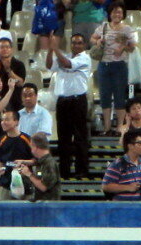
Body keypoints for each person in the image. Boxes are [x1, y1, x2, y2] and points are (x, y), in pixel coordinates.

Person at [47, 33, 91, 178]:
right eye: (74, 43)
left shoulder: (85, 58)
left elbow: (67, 64)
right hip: (63, 101)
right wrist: (50, 50)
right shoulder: (64, 55)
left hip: (78, 101)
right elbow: (49, 65)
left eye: (79, 43)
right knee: (63, 138)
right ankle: (64, 171)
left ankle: (81, 170)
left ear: (84, 45)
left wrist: (55, 48)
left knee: (80, 137)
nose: (76, 45)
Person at [90, 2, 136, 137]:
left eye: (120, 12)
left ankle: (120, 127)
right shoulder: (103, 27)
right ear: (110, 14)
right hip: (104, 65)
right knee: (104, 97)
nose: (117, 15)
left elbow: (133, 46)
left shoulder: (127, 29)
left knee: (119, 97)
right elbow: (92, 38)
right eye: (115, 12)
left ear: (123, 14)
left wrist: (122, 48)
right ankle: (107, 127)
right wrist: (97, 41)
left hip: (120, 66)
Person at [102, 130, 141, 201]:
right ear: (130, 146)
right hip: (122, 208)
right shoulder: (117, 164)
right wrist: (128, 187)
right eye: (140, 143)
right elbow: (106, 186)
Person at [0, 109, 33, 200]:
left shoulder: (27, 139)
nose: (3, 122)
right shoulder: (1, 140)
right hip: (6, 184)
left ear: (16, 122)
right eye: (2, 120)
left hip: (24, 183)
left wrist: (23, 162)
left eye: (7, 120)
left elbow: (36, 161)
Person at [16, 132, 61, 201]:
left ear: (36, 147)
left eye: (31, 147)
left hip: (49, 205)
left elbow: (43, 187)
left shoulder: (49, 164)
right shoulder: (40, 162)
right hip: (39, 203)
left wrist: (29, 174)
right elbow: (35, 162)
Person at [0, 37, 25, 111]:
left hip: (16, 101)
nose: (5, 49)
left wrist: (8, 70)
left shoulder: (19, 64)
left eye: (7, 47)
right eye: (2, 47)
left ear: (11, 49)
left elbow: (20, 83)